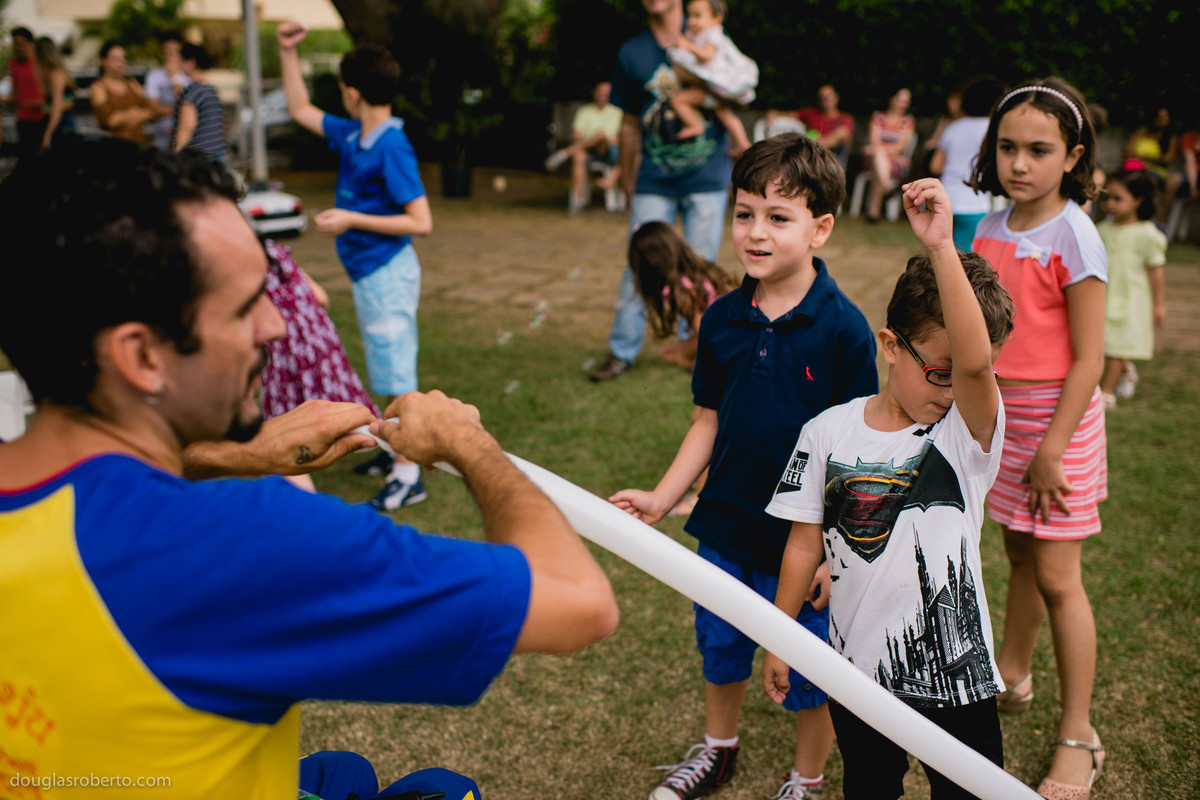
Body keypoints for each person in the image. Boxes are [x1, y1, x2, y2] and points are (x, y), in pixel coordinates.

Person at [0, 138, 618, 799]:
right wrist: (471, 446)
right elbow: (578, 603)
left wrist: (247, 453)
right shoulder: (243, 543)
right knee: (446, 790)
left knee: (340, 775)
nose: (277, 326)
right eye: (245, 307)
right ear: (142, 357)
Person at [610, 133, 878, 800]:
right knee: (721, 649)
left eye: (778, 218)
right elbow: (707, 420)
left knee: (810, 669)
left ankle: (806, 779)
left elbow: (858, 453)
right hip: (725, 524)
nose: (755, 233)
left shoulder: (844, 329)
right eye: (744, 213)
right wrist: (662, 495)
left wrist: (832, 553)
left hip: (804, 541)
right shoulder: (723, 318)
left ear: (820, 228)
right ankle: (719, 751)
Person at [764, 177, 1014, 800]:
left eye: (968, 376)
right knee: (870, 788)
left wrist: (939, 248)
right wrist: (779, 635)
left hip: (957, 674)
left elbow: (975, 364)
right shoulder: (826, 432)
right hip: (858, 673)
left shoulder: (964, 432)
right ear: (888, 345)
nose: (953, 388)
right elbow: (802, 546)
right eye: (938, 372)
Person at [968, 77, 1108, 800]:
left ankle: (1079, 735)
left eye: (1040, 150)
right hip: (1003, 423)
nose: (1020, 164)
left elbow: (1088, 357)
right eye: (1008, 147)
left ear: (1073, 155)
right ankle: (1011, 674)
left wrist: (1053, 445)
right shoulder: (988, 228)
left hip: (1061, 425)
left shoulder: (1074, 234)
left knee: (1059, 578)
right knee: (1016, 553)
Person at [277, 21, 434, 511]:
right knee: (384, 367)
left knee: (397, 372)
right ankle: (393, 453)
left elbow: (420, 221)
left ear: (350, 92)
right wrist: (288, 51)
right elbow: (300, 108)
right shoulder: (353, 135)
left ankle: (410, 475)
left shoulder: (391, 145)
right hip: (370, 276)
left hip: (388, 274)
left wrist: (350, 218)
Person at [587, 0, 733, 383]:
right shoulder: (632, 52)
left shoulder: (709, 33)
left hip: (707, 174)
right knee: (639, 261)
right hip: (654, 176)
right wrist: (628, 176)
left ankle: (696, 349)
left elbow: (737, 90)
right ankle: (622, 350)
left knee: (701, 267)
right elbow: (631, 123)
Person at [260, 238, 384, 493]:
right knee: (338, 395)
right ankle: (388, 441)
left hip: (283, 346)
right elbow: (322, 297)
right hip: (317, 336)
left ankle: (300, 488)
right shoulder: (275, 251)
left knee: (283, 416)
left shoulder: (241, 264)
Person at [1096, 168, 1167, 408]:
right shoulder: (1103, 229)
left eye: (1118, 199)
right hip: (1105, 295)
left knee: (1117, 343)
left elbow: (1155, 271)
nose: (1110, 204)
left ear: (1138, 201)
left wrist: (1158, 304)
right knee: (1104, 341)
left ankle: (1107, 393)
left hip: (1131, 298)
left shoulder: (1148, 235)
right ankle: (1126, 370)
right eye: (1108, 198)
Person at [629, 219, 738, 372]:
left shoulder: (681, 290)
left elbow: (706, 332)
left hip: (737, 338)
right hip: (740, 328)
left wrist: (687, 358)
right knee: (675, 351)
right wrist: (682, 347)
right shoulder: (695, 272)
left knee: (690, 361)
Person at [665, 0, 757, 155]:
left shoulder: (713, 34)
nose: (692, 20)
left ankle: (693, 125)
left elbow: (706, 56)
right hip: (714, 90)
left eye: (698, 15)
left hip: (714, 88)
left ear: (716, 18)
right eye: (690, 15)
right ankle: (743, 143)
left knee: (678, 100)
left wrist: (687, 46)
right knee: (725, 115)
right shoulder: (701, 34)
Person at [929, 75, 1006, 251]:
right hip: (974, 204)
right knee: (967, 265)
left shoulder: (953, 127)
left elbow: (936, 166)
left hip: (944, 200)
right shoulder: (993, 129)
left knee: (939, 258)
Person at [544, 81, 625, 213]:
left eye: (607, 93)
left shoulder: (617, 112)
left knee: (601, 136)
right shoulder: (584, 111)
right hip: (588, 149)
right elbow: (576, 136)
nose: (604, 95)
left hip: (611, 151)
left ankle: (563, 154)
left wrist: (602, 137)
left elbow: (619, 138)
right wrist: (590, 139)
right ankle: (579, 199)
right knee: (579, 157)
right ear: (595, 94)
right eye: (601, 92)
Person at [89, 40, 165, 145]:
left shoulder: (132, 83)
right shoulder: (98, 87)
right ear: (103, 61)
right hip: (115, 146)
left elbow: (152, 112)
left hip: (140, 145)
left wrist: (124, 117)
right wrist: (135, 112)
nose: (120, 63)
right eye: (115, 59)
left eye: (122, 58)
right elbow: (111, 122)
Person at [860, 87, 916, 223]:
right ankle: (888, 188)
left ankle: (874, 212)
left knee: (878, 158)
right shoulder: (878, 117)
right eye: (899, 100)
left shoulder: (908, 121)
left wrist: (879, 150)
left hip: (895, 164)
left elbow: (900, 147)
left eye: (905, 102)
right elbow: (874, 141)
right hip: (879, 161)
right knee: (878, 158)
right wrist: (880, 151)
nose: (902, 104)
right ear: (891, 99)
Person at [767, 85, 854, 165]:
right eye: (822, 97)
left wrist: (821, 141)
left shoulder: (845, 118)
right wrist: (775, 113)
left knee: (841, 132)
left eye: (828, 96)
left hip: (832, 155)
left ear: (836, 98)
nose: (825, 99)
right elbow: (791, 115)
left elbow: (845, 138)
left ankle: (818, 147)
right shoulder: (811, 113)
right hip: (810, 151)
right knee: (810, 136)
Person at [172, 42, 226, 163]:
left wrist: (177, 152)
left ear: (191, 62)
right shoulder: (211, 89)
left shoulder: (192, 92)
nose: (178, 65)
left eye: (181, 61)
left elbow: (188, 126)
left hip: (199, 158)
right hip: (218, 151)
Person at [143, 30, 192, 151]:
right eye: (167, 51)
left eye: (175, 52)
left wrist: (174, 77)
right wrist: (180, 110)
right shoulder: (153, 76)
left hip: (184, 134)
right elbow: (153, 108)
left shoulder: (187, 78)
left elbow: (185, 100)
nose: (171, 56)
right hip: (161, 133)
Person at [5, 28, 45, 160]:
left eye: (21, 43)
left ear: (30, 44)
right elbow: (15, 93)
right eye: (15, 44)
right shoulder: (14, 64)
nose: (18, 47)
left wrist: (41, 103)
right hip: (24, 119)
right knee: (27, 158)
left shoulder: (41, 63)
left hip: (43, 118)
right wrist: (6, 100)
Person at [34, 36, 76, 150]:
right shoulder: (55, 73)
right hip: (59, 121)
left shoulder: (55, 74)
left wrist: (48, 134)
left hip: (60, 123)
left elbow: (57, 106)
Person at [1123, 107, 1177, 186]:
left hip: (1155, 173)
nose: (1162, 121)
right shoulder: (1139, 134)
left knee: (1142, 179)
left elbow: (1166, 160)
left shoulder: (1171, 138)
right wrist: (1155, 159)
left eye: (1165, 118)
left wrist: (1141, 158)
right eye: (1160, 117)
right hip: (1133, 168)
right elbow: (1127, 154)